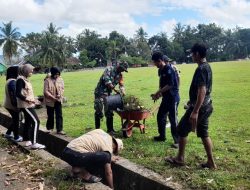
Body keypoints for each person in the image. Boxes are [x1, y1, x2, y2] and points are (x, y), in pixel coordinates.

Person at [166, 43, 217, 169]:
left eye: (192, 53)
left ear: (197, 54)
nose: (191, 56)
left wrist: (195, 111)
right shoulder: (207, 66)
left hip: (201, 108)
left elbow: (202, 90)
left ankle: (180, 158)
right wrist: (192, 101)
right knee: (204, 133)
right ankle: (211, 162)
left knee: (181, 129)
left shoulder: (201, 69)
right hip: (207, 105)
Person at [151, 51, 180, 148]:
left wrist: (158, 92)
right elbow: (162, 84)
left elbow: (170, 85)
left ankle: (178, 141)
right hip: (166, 98)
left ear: (160, 61)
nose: (154, 65)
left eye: (155, 63)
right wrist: (158, 94)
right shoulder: (160, 70)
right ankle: (162, 136)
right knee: (160, 116)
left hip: (173, 98)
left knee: (173, 119)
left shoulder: (169, 69)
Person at [16, 63, 45, 149]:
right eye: (31, 71)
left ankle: (27, 139)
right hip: (26, 105)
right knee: (36, 121)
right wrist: (29, 100)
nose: (32, 72)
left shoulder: (25, 80)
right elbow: (18, 94)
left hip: (29, 104)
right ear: (26, 71)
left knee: (28, 122)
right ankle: (34, 143)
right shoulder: (20, 80)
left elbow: (26, 93)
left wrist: (35, 99)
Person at [94, 61, 128, 134]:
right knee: (99, 111)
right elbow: (107, 81)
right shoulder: (109, 69)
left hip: (109, 94)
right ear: (119, 66)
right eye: (122, 69)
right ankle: (97, 130)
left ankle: (110, 130)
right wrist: (115, 90)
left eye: (124, 70)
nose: (123, 71)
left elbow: (121, 84)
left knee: (109, 111)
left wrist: (123, 91)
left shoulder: (120, 75)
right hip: (100, 93)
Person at [44, 67, 65, 135]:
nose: (57, 76)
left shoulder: (60, 79)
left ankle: (59, 129)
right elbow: (45, 91)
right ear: (52, 73)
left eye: (58, 74)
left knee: (59, 115)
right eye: (56, 74)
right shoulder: (47, 80)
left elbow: (62, 88)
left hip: (58, 100)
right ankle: (49, 128)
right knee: (50, 115)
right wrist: (53, 97)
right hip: (50, 101)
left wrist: (60, 94)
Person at [3, 66, 23, 142]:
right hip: (12, 105)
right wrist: (17, 106)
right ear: (15, 72)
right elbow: (13, 96)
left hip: (8, 104)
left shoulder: (10, 80)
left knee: (15, 119)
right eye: (18, 71)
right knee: (16, 120)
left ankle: (8, 133)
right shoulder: (12, 82)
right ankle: (16, 137)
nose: (19, 73)